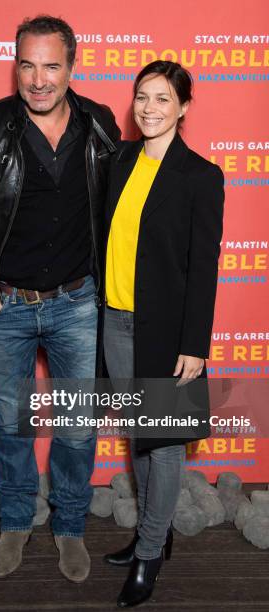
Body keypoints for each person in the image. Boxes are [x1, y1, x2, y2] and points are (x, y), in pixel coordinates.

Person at [0, 15, 120, 583]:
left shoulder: (101, 125)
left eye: (51, 65)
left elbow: (123, 210)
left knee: (76, 426)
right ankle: (16, 519)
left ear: (72, 66)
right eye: (27, 64)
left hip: (78, 303)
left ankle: (68, 525)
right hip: (7, 306)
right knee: (13, 422)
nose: (38, 79)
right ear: (15, 64)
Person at [101, 60, 224, 607]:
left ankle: (151, 551)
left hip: (168, 334)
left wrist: (195, 344)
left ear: (183, 108)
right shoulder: (120, 159)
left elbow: (204, 267)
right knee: (138, 437)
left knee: (166, 446)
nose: (148, 109)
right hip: (114, 322)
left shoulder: (201, 176)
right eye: (142, 97)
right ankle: (154, 533)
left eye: (162, 99)